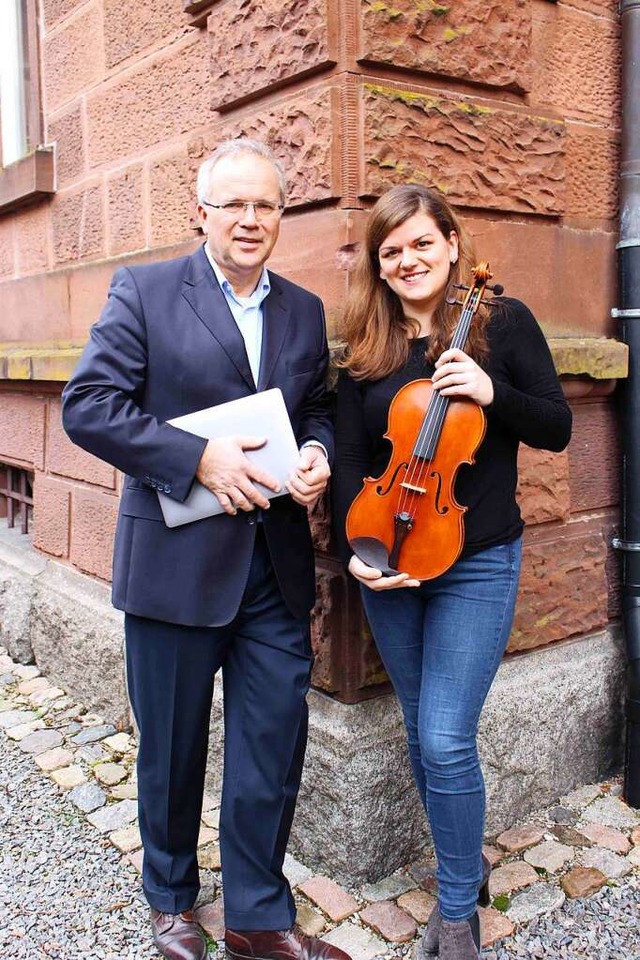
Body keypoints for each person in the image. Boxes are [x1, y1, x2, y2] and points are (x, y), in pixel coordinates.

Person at [62, 139, 350, 960]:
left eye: (266, 205)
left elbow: (321, 405)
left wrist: (319, 455)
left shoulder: (302, 309)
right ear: (203, 212)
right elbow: (89, 405)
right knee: (173, 746)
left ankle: (258, 918)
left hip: (275, 571)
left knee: (270, 746)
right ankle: (172, 900)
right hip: (175, 571)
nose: (252, 220)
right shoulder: (147, 292)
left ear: (279, 216)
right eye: (235, 205)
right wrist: (195, 459)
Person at [332, 184, 572, 960]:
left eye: (420, 244)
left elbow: (559, 427)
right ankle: (461, 867)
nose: (406, 260)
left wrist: (492, 391)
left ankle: (460, 908)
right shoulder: (368, 341)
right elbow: (348, 460)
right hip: (390, 556)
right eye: (391, 250)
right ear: (380, 262)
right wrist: (357, 553)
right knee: (420, 730)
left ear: (452, 242)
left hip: (475, 560)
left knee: (443, 738)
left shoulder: (501, 326)